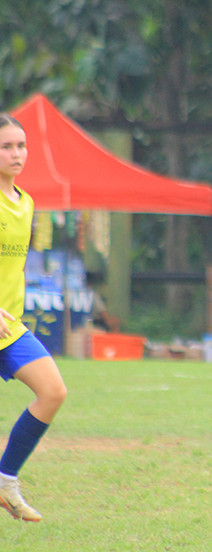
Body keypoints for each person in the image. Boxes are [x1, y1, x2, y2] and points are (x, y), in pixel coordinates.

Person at [0, 114, 68, 522]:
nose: (16, 154)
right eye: (7, 146)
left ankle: (6, 480)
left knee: (53, 392)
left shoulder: (25, 203)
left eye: (21, 146)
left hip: (11, 328)